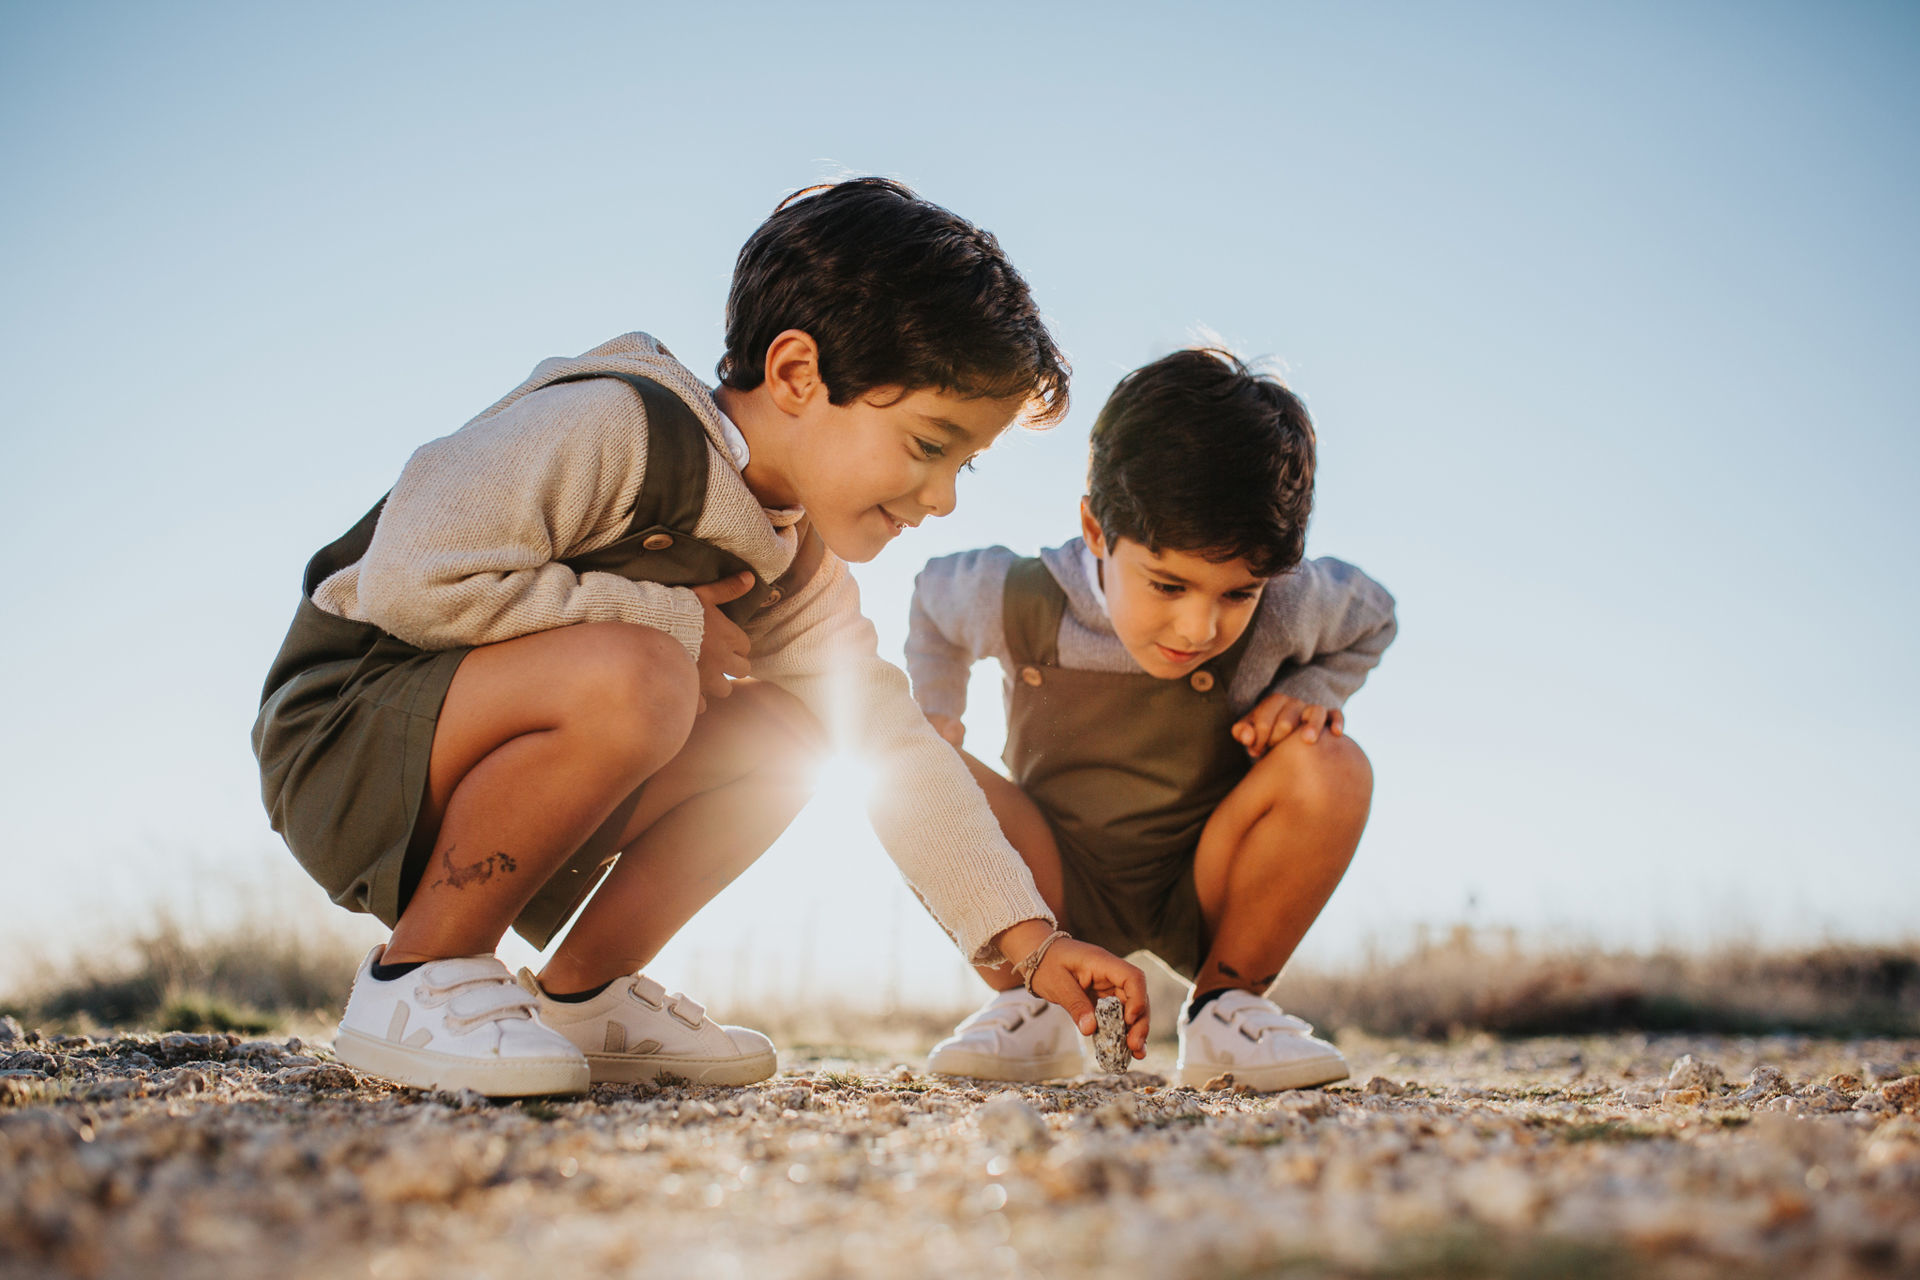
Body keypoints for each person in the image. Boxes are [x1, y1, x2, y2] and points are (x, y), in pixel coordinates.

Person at [252, 178, 1150, 1098]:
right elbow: (413, 576)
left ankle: (585, 996)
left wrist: (1031, 944)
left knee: (798, 731)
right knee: (642, 673)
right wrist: (671, 622)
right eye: (927, 445)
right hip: (349, 743)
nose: (945, 495)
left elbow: (898, 749)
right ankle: (419, 978)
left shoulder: (798, 569)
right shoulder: (616, 424)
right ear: (798, 374)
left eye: (964, 462)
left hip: (500, 776)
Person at [905, 347, 1396, 1090]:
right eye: (1168, 584)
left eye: (1237, 594)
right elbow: (932, 605)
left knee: (1333, 764)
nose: (1200, 627)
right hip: (1048, 885)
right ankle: (1031, 1008)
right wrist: (937, 711)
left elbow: (1375, 617)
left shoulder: (1294, 603)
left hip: (1203, 880)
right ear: (1097, 531)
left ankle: (1227, 1012)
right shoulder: (1015, 595)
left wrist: (1318, 689)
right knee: (903, 766)